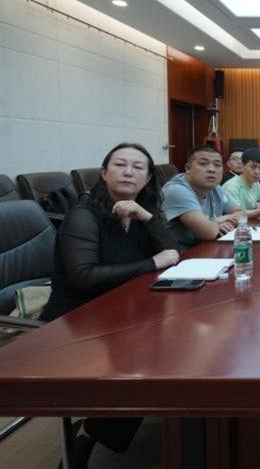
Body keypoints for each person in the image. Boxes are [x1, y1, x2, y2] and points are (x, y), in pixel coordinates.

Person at [40, 142, 180, 469]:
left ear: (148, 179)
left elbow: (173, 253)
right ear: (104, 173)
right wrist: (151, 263)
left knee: (171, 348)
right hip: (76, 320)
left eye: (138, 167)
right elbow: (84, 277)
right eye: (119, 165)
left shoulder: (140, 210)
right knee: (149, 362)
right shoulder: (83, 216)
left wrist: (148, 218)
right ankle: (90, 431)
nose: (128, 172)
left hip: (122, 311)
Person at [161, 145, 241, 251]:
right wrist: (218, 222)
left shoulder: (215, 187)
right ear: (188, 169)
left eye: (217, 165)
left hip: (205, 247)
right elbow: (208, 232)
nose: (212, 169)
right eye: (203, 164)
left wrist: (226, 222)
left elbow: (241, 213)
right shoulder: (177, 190)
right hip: (178, 254)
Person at [222, 148, 260, 218]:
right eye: (253, 167)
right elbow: (237, 214)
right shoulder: (231, 186)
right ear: (243, 166)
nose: (257, 172)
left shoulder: (255, 183)